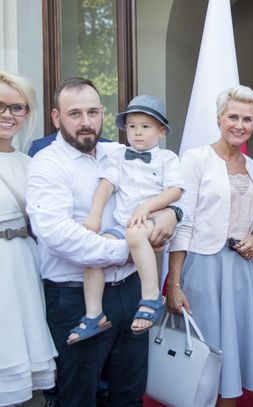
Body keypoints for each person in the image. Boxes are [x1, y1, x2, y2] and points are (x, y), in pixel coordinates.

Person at [26, 77, 178, 406]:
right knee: (76, 397)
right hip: (75, 299)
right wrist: (130, 250)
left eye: (93, 112)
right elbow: (57, 233)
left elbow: (167, 189)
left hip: (130, 291)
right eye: (75, 113)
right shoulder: (47, 165)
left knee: (129, 394)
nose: (86, 122)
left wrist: (171, 214)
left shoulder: (120, 151)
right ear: (56, 118)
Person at [166, 85, 253, 406]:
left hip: (242, 273)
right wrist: (173, 283)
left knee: (231, 362)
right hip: (203, 271)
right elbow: (181, 222)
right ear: (218, 119)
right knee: (203, 356)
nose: (239, 124)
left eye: (248, 119)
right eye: (233, 117)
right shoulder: (196, 159)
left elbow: (252, 219)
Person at [67, 95, 183, 344]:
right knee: (93, 250)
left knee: (135, 233)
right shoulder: (118, 157)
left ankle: (151, 296)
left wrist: (147, 206)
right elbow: (105, 186)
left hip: (152, 219)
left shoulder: (167, 159)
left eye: (145, 126)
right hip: (123, 223)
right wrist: (95, 216)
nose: (137, 132)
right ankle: (94, 314)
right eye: (132, 126)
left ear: (161, 131)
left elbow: (175, 191)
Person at [0, 72, 57, 406]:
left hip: (25, 270)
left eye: (17, 107)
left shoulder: (33, 164)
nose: (8, 115)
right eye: (1, 105)